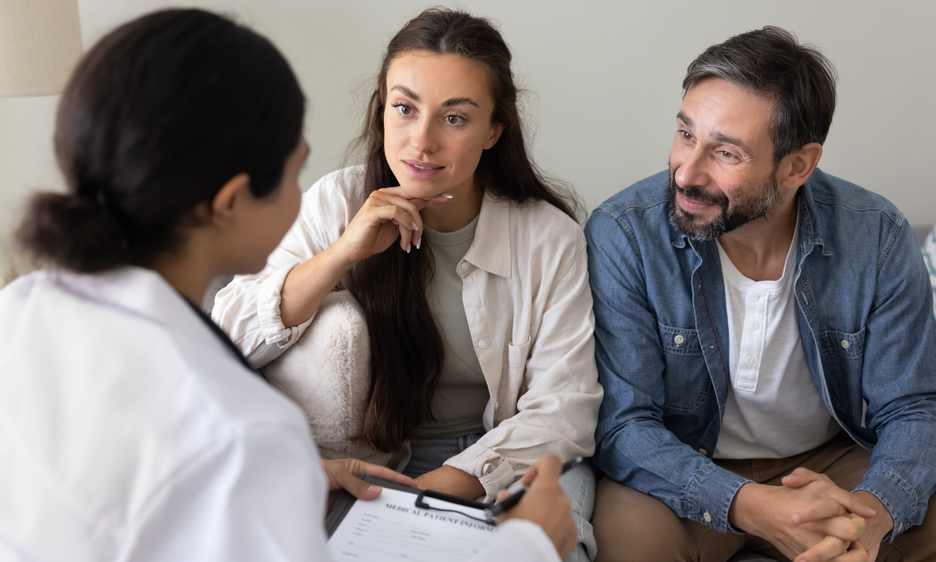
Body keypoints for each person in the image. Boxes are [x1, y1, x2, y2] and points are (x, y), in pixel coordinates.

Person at [0, 9, 576, 562]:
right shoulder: (246, 434)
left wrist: (312, 474)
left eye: (454, 117)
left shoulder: (17, 312)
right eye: (295, 171)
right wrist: (528, 547)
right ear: (232, 201)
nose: (421, 141)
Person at [584, 26, 936, 562]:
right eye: (686, 134)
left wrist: (872, 514)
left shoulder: (876, 235)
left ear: (798, 165)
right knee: (630, 549)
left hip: (830, 464)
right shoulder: (625, 233)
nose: (685, 172)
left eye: (725, 152)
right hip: (682, 465)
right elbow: (624, 425)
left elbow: (916, 406)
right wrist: (750, 504)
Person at [213, 8, 602, 561]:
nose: (421, 141)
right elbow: (224, 342)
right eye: (404, 108)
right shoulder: (334, 203)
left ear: (494, 131)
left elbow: (564, 410)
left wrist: (427, 493)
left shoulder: (548, 237)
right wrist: (342, 254)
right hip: (371, 462)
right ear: (382, 112)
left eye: (454, 118)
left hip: (510, 459)